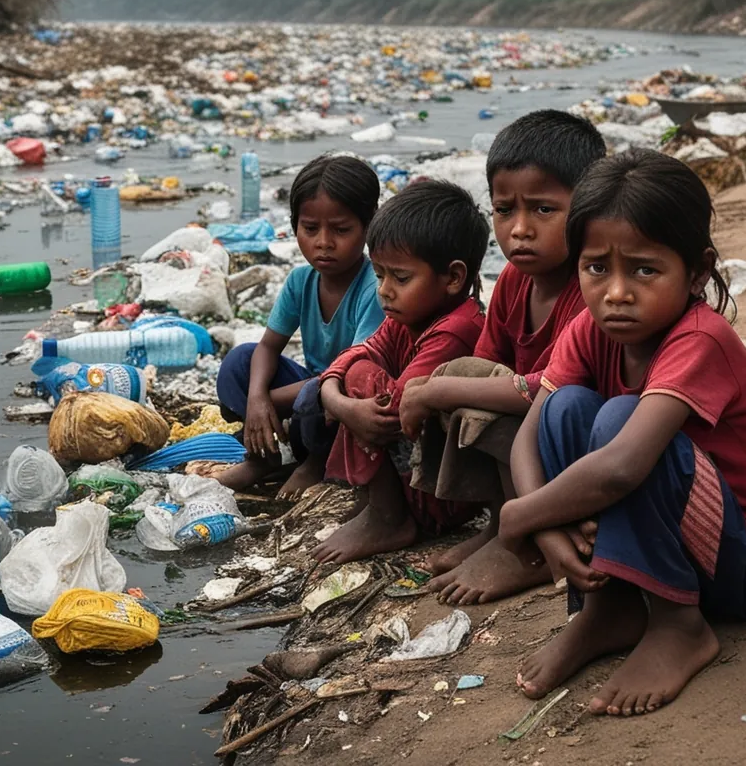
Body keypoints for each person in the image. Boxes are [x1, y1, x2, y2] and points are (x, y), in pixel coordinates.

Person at [499, 149, 746, 718]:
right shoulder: (589, 329)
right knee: (567, 406)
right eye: (597, 268)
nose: (616, 292)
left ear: (696, 271)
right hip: (691, 544)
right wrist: (537, 521)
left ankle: (677, 625)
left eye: (644, 269)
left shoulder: (699, 339)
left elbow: (621, 467)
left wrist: (521, 516)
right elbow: (531, 432)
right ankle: (609, 608)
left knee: (621, 422)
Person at [398, 110, 606, 605]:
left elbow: (549, 389)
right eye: (504, 210)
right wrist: (439, 386)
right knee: (458, 378)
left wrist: (440, 388)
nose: (519, 230)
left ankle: (527, 545)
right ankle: (502, 523)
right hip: (530, 437)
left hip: (580, 444)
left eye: (542, 210)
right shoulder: (514, 281)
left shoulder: (591, 288)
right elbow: (488, 358)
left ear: (589, 207)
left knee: (456, 384)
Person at [313, 179, 489, 565]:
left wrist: (340, 396)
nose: (385, 291)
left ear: (454, 278)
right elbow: (356, 353)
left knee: (361, 378)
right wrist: (330, 390)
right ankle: (380, 506)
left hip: (443, 494)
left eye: (401, 278)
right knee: (357, 370)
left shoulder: (456, 328)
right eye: (379, 276)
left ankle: (388, 517)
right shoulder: (407, 317)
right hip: (421, 474)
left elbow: (397, 409)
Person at [215, 154, 384, 497]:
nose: (323, 242)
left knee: (313, 395)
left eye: (341, 229)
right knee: (239, 363)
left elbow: (351, 370)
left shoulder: (374, 288)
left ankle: (317, 461)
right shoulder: (300, 281)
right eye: (310, 229)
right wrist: (257, 397)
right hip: (308, 397)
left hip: (346, 398)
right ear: (295, 228)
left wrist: (263, 402)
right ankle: (264, 457)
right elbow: (268, 347)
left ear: (368, 228)